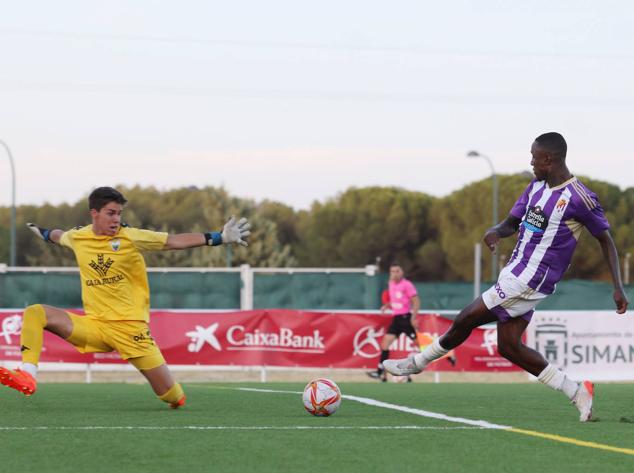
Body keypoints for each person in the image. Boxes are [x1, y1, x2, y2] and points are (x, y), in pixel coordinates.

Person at [384, 132, 629, 422]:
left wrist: (618, 287)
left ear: (548, 159)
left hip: (529, 281)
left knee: (465, 319)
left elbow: (606, 241)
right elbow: (512, 223)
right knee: (509, 346)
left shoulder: (579, 198)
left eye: (534, 156)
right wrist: (496, 231)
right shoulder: (535, 187)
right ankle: (577, 392)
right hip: (514, 273)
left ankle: (416, 363)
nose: (531, 161)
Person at [0, 186, 251, 408]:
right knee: (35, 311)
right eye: (111, 213)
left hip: (131, 329)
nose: (117, 219)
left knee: (172, 396)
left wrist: (218, 238)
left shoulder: (131, 237)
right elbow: (59, 236)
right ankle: (28, 374)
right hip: (96, 326)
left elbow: (174, 242)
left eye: (119, 214)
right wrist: (43, 233)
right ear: (94, 213)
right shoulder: (79, 237)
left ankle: (174, 395)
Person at [367, 263, 420, 382]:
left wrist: (413, 318)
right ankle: (381, 373)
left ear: (402, 272)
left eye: (397, 271)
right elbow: (395, 299)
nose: (395, 274)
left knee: (421, 344)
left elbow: (416, 302)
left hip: (406, 318)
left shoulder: (407, 285)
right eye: (392, 271)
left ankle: (444, 355)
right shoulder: (391, 283)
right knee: (385, 344)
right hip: (396, 319)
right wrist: (387, 305)